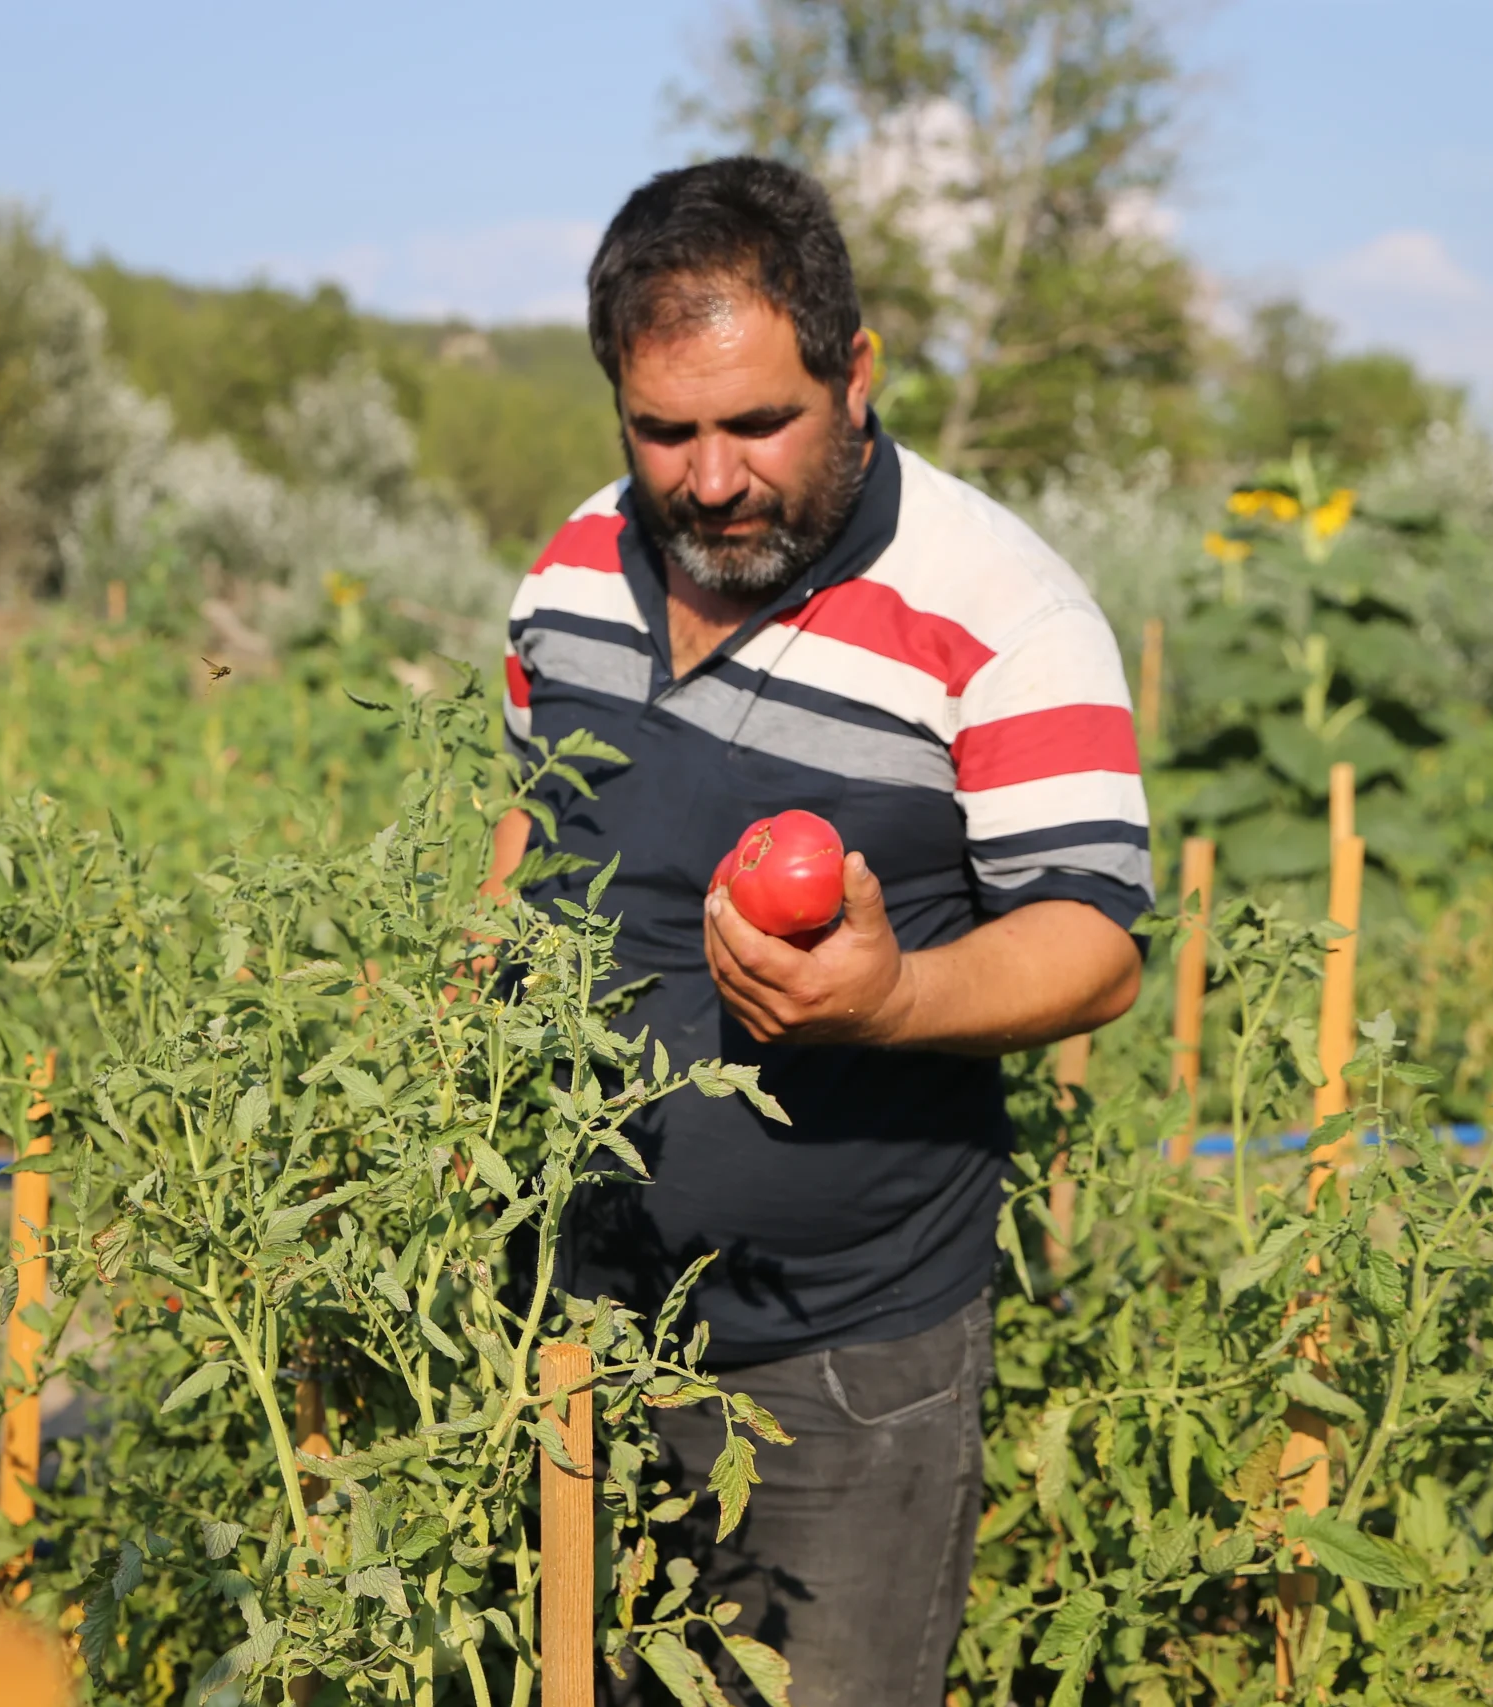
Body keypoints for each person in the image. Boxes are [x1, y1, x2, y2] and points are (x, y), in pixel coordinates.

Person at [487, 157, 1151, 1707]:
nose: (711, 479)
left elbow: (1094, 941)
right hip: (564, 1330)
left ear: (856, 376)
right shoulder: (574, 565)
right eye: (664, 433)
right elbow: (529, 816)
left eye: (757, 423)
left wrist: (890, 996)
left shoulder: (1002, 609)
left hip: (837, 1367)